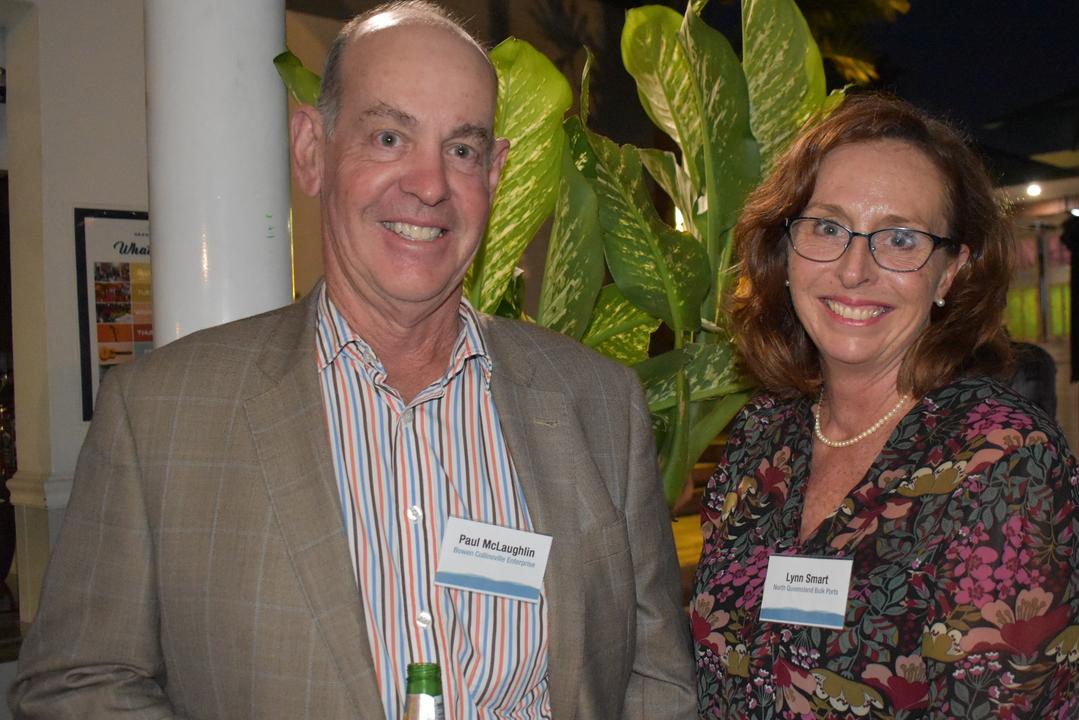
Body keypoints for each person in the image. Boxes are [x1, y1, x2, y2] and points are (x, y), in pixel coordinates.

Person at [10, 3, 696, 718]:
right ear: (313, 148)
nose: (429, 185)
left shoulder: (598, 406)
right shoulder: (160, 417)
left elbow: (656, 682)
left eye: (461, 149)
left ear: (495, 175)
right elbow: (77, 685)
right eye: (390, 136)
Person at [690, 94, 1079, 718]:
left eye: (901, 240)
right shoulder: (760, 437)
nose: (855, 270)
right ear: (786, 248)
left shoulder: (1007, 466)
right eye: (828, 227)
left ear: (950, 273)